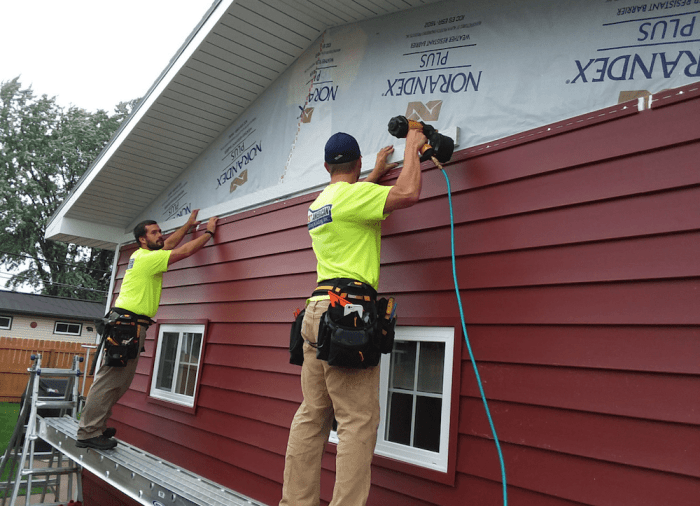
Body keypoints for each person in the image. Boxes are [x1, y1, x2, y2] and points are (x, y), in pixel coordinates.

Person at [279, 129, 427, 506]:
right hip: (348, 313)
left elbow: (351, 198)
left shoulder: (318, 205)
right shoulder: (353, 197)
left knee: (313, 414)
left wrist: (374, 173)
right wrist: (413, 145)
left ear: (327, 167)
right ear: (357, 163)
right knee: (357, 421)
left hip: (316, 310)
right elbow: (408, 192)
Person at [76, 210, 218, 450]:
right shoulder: (145, 258)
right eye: (154, 232)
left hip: (129, 326)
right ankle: (88, 432)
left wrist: (187, 226)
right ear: (142, 239)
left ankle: (96, 427)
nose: (160, 235)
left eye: (160, 231)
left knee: (118, 382)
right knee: (109, 382)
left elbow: (170, 244)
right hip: (126, 327)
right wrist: (209, 232)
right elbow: (183, 251)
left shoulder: (144, 255)